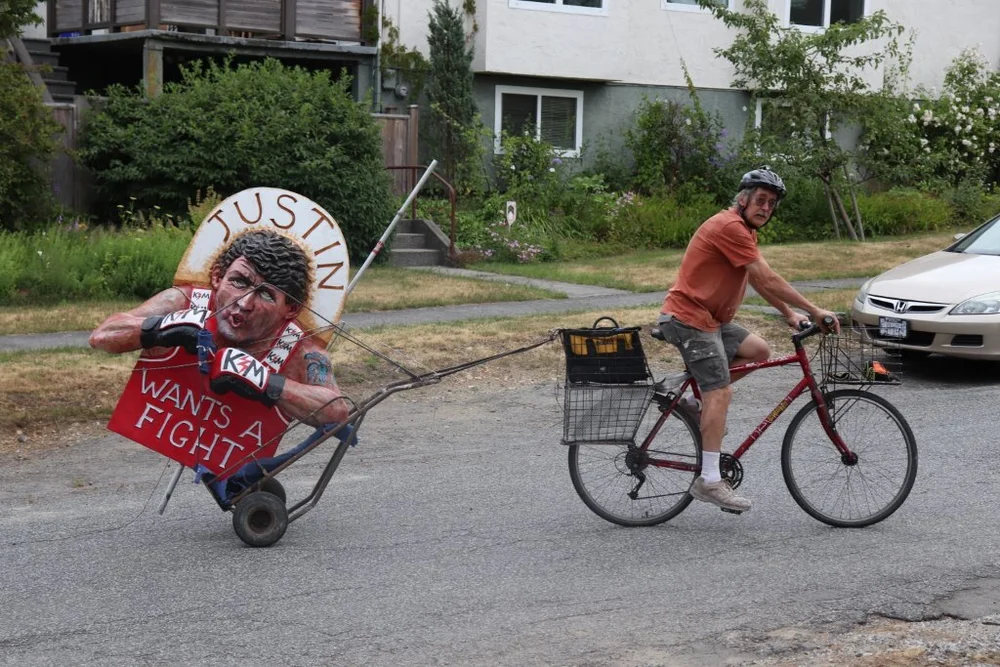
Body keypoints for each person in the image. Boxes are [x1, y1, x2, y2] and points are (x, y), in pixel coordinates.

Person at [657, 166, 840, 513]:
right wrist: (814, 309)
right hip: (688, 319)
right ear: (743, 199)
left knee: (758, 349)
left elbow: (757, 280)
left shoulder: (745, 232)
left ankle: (693, 400)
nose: (766, 208)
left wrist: (788, 314)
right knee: (720, 390)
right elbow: (767, 278)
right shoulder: (730, 226)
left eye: (771, 203)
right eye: (760, 200)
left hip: (710, 321)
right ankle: (709, 480)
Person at [90, 228, 349, 428]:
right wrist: (160, 327)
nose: (245, 303)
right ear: (217, 277)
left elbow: (337, 411)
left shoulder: (295, 345)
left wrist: (267, 381)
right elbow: (102, 336)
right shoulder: (187, 301)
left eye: (267, 295)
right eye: (238, 281)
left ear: (291, 309)